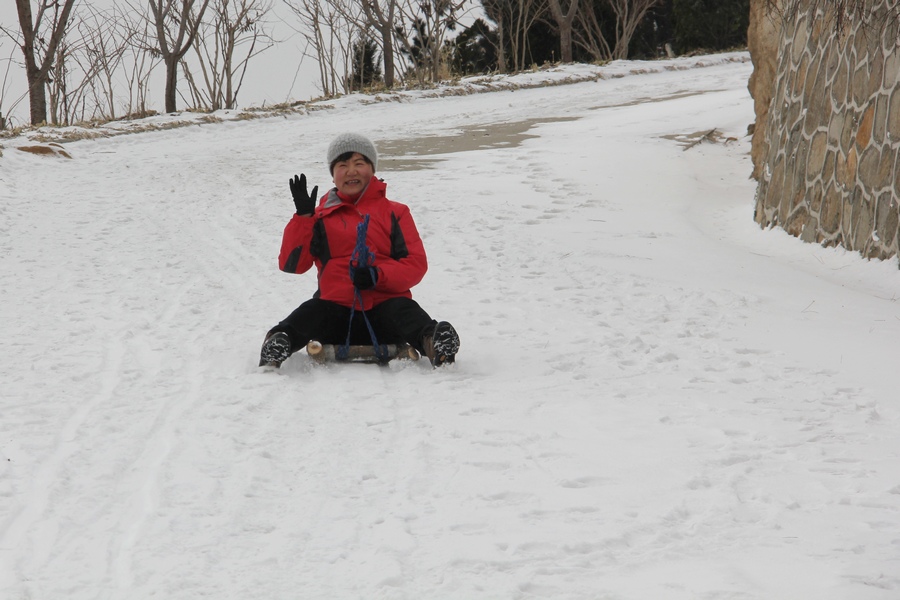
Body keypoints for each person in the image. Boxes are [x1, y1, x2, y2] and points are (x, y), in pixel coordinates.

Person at [259, 132, 460, 368]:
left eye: (359, 163)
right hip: (336, 315)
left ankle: (434, 343)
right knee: (313, 310)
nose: (351, 171)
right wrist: (304, 218)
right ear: (333, 176)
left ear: (372, 169)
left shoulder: (396, 213)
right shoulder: (321, 218)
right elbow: (292, 265)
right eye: (342, 165)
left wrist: (378, 276)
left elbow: (415, 264)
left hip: (384, 315)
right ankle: (278, 343)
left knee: (404, 310)